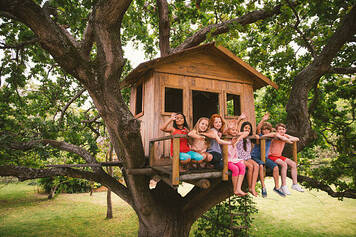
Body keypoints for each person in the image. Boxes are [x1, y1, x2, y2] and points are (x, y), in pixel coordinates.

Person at [250, 113, 285, 197]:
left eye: (267, 130)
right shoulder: (261, 136)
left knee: (276, 167)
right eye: (264, 129)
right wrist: (263, 120)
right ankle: (263, 187)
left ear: (270, 130)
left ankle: (276, 187)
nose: (265, 131)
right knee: (261, 166)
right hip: (255, 156)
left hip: (264, 157)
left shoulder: (271, 136)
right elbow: (258, 128)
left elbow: (277, 134)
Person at [267, 123, 304, 194]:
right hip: (271, 156)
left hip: (279, 156)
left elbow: (297, 139)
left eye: (283, 129)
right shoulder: (275, 135)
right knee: (284, 164)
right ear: (277, 130)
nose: (281, 131)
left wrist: (288, 138)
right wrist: (287, 140)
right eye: (280, 129)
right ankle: (283, 186)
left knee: (293, 164)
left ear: (285, 130)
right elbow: (282, 138)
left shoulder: (285, 135)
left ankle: (295, 184)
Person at [236, 121, 259, 197]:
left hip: (247, 157)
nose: (247, 130)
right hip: (240, 158)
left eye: (249, 128)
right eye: (246, 128)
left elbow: (256, 141)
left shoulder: (249, 137)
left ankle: (253, 187)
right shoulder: (239, 136)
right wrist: (239, 120)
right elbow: (236, 132)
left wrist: (256, 136)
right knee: (251, 166)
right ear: (242, 128)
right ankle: (249, 187)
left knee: (257, 166)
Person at [226, 122, 248, 196]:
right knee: (235, 169)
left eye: (236, 130)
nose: (235, 131)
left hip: (234, 159)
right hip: (227, 160)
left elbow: (246, 133)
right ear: (228, 130)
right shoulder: (225, 137)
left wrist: (237, 140)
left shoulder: (236, 138)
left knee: (242, 167)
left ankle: (239, 188)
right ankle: (235, 189)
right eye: (233, 130)